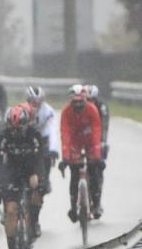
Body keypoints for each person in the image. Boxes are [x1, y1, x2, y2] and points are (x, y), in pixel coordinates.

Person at [0, 106, 43, 249]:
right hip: (11, 174)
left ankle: (34, 223)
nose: (16, 132)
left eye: (20, 128)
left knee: (36, 195)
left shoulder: (34, 135)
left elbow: (40, 158)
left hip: (29, 171)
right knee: (11, 211)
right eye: (13, 128)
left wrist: (38, 176)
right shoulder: (3, 136)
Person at [60, 85, 104, 220]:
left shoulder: (92, 109)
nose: (78, 105)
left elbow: (97, 131)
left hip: (90, 140)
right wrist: (66, 156)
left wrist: (97, 155)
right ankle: (73, 207)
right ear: (70, 101)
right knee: (74, 174)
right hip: (75, 142)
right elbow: (65, 134)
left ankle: (96, 204)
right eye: (75, 102)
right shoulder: (66, 112)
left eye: (81, 102)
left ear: (85, 100)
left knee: (94, 171)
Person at [26, 86, 59, 201]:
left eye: (38, 102)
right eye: (33, 102)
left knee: (45, 161)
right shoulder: (22, 110)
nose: (36, 105)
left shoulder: (48, 111)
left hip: (42, 140)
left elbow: (52, 130)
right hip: (27, 140)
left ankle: (45, 181)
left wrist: (53, 149)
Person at [84, 84, 110, 159]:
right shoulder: (79, 106)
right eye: (87, 100)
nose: (90, 103)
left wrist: (103, 140)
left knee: (102, 147)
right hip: (83, 132)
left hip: (98, 131)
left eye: (92, 100)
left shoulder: (102, 107)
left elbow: (105, 125)